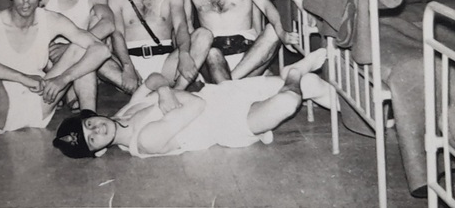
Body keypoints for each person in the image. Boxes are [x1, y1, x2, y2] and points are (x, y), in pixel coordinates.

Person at [52, 49, 331, 159]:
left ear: (92, 116)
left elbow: (153, 78)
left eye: (90, 124)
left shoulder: (124, 113)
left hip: (221, 94)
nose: (97, 130)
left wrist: (164, 90)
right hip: (229, 123)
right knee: (288, 101)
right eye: (92, 139)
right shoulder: (144, 140)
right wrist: (168, 93)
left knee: (313, 85)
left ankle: (362, 113)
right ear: (99, 151)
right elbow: (195, 105)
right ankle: (293, 73)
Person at [0, 0, 110, 166]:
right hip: (4, 108)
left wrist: (62, 79)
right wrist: (22, 78)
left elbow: (101, 50)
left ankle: (87, 124)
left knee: (80, 48)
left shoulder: (51, 20)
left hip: (42, 100)